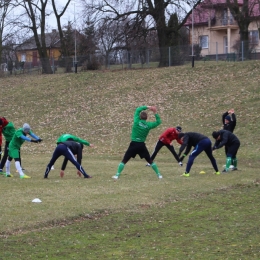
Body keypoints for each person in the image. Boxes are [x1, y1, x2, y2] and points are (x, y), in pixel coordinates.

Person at [112, 105, 162, 180]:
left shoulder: (136, 121)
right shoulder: (148, 125)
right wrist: (155, 112)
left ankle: (117, 175)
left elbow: (138, 109)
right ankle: (159, 175)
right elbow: (158, 122)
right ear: (146, 118)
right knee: (150, 161)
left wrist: (148, 107)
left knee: (124, 160)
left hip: (133, 144)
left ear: (139, 117)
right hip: (141, 145)